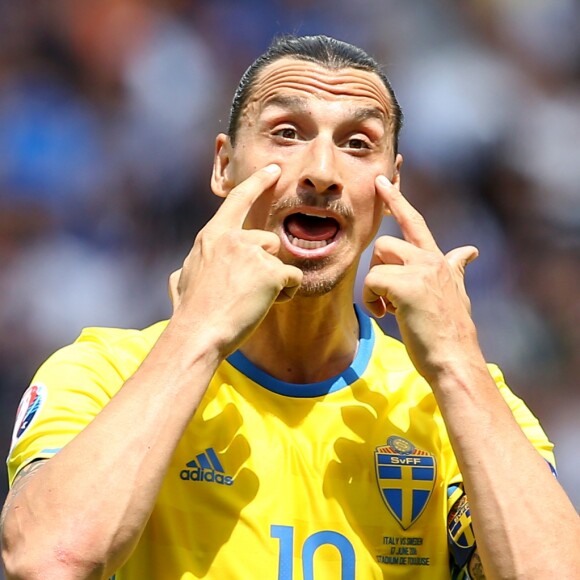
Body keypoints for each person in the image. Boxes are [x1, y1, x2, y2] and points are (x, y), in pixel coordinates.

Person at [1, 34, 579, 580]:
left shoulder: (457, 403)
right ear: (223, 165)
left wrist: (456, 360)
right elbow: (47, 558)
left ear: (391, 183)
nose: (323, 173)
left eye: (358, 144)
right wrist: (196, 334)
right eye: (286, 132)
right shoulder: (101, 374)